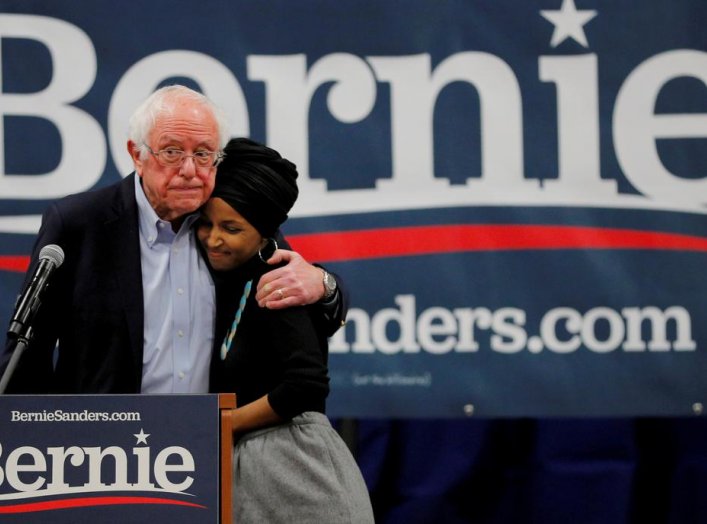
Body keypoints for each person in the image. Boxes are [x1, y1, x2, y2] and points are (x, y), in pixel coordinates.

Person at [0, 84, 346, 394]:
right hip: (102, 447)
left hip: (208, 445)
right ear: (138, 154)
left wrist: (324, 284)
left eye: (203, 153)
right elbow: (28, 352)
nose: (190, 170)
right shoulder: (80, 224)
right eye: (172, 152)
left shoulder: (229, 225)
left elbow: (316, 317)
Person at [198, 137, 373, 523]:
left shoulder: (282, 281)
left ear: (264, 233)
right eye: (205, 223)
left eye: (231, 228)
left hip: (295, 472)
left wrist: (220, 426)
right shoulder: (214, 274)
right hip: (238, 466)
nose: (213, 238)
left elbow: (306, 385)